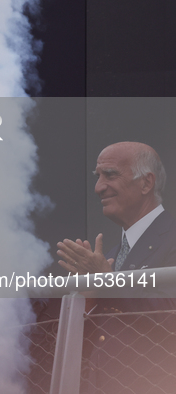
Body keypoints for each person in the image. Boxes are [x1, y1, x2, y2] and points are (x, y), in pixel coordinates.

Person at [56, 141, 176, 393]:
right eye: (98, 177)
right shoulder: (111, 256)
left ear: (146, 183)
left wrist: (108, 284)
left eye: (110, 175)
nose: (99, 187)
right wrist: (88, 299)